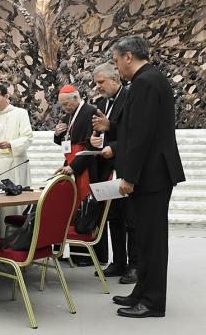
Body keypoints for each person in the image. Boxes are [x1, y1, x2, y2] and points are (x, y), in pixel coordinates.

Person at [96, 35, 185, 318]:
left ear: (128, 57)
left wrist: (129, 177)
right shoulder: (149, 79)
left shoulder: (146, 82)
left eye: (116, 61)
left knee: (152, 241)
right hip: (152, 173)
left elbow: (141, 137)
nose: (117, 68)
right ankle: (141, 292)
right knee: (144, 239)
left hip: (151, 175)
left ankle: (153, 301)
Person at [89, 63, 138, 284]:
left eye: (101, 82)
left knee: (131, 220)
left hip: (127, 167)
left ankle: (135, 266)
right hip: (107, 169)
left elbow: (135, 133)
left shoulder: (129, 98)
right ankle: (118, 262)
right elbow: (100, 131)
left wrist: (112, 136)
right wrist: (94, 139)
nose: (97, 86)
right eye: (96, 82)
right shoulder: (100, 103)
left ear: (114, 80)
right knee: (114, 217)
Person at [54, 84, 106, 265]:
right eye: (63, 105)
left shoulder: (91, 112)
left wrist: (74, 166)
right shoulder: (68, 114)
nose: (65, 108)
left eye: (67, 104)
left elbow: (91, 145)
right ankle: (76, 253)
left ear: (76, 98)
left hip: (86, 165)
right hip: (72, 163)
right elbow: (65, 140)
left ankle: (92, 255)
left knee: (87, 207)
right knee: (74, 206)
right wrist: (57, 134)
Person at [0, 84, 33, 238]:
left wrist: (11, 144)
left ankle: (16, 240)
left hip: (15, 163)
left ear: (7, 97)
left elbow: (27, 137)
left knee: (14, 204)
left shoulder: (20, 113)